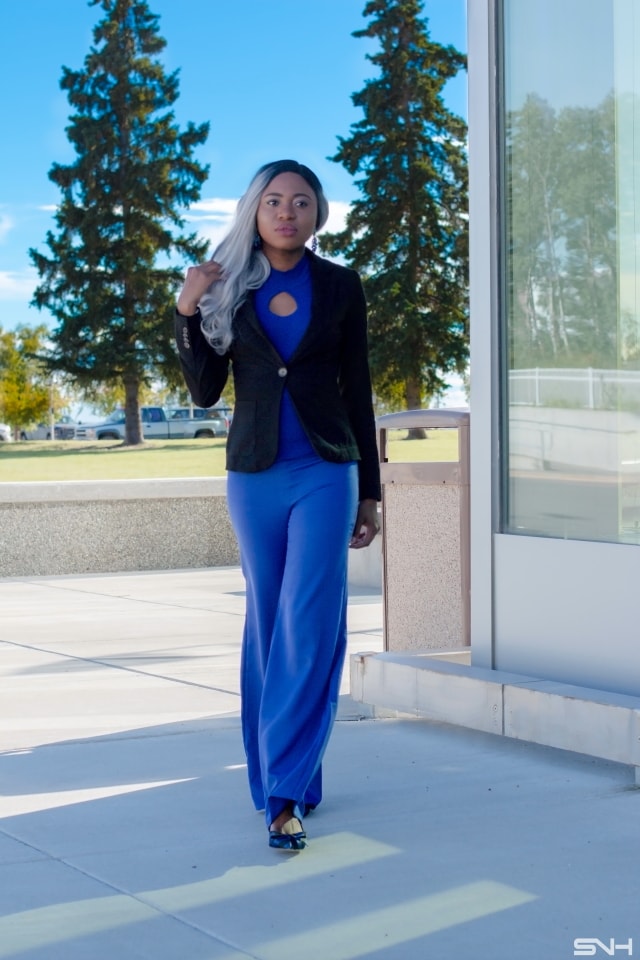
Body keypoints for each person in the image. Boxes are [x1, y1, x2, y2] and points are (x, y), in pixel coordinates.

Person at [175, 159, 381, 852]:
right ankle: (289, 776)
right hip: (254, 475)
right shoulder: (229, 287)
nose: (286, 212)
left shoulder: (341, 286)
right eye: (273, 201)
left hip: (327, 468)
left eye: (299, 201)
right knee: (269, 624)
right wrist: (187, 312)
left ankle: (284, 796)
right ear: (254, 213)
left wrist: (373, 492)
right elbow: (204, 391)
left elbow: (359, 388)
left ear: (318, 213)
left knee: (309, 622)